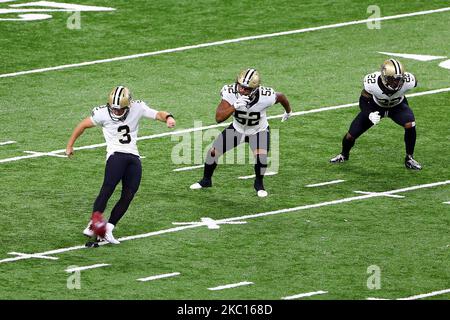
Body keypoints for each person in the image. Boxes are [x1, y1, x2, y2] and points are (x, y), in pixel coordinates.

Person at [65, 86, 176, 244]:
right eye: (114, 109)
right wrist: (70, 145)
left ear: (128, 105)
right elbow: (82, 125)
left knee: (129, 193)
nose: (116, 112)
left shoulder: (137, 107)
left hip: (133, 155)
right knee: (108, 187)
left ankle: (109, 229)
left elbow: (158, 114)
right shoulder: (102, 113)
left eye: (120, 109)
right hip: (115, 154)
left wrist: (169, 118)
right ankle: (93, 223)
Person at [190, 68, 292, 197]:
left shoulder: (266, 96)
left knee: (262, 158)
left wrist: (288, 111)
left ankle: (259, 184)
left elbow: (282, 97)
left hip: (258, 131)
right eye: (241, 86)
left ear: (255, 89)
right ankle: (206, 180)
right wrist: (234, 106)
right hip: (237, 129)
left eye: (247, 88)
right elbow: (219, 118)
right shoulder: (230, 92)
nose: (242, 90)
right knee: (213, 152)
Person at [330, 59, 422, 170]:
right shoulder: (372, 83)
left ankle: (409, 158)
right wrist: (369, 114)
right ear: (384, 77)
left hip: (397, 106)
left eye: (399, 79)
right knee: (350, 135)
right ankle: (344, 155)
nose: (397, 83)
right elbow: (363, 101)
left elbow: (414, 80)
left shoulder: (409, 81)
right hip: (376, 106)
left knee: (410, 124)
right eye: (392, 80)